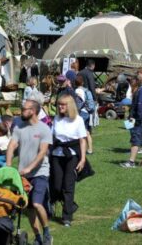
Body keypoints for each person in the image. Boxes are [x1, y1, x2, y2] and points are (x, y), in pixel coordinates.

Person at [6, 100, 53, 245]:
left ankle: (46, 233)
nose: (20, 111)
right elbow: (12, 145)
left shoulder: (44, 129)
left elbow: (43, 152)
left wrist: (30, 168)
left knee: (37, 203)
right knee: (29, 208)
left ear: (33, 111)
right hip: (23, 174)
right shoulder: (19, 126)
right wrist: (8, 166)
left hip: (40, 172)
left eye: (24, 109)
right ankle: (38, 237)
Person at [50, 94, 87, 227]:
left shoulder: (78, 120)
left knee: (68, 186)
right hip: (57, 154)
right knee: (56, 185)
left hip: (71, 156)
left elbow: (82, 140)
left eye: (63, 104)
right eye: (59, 104)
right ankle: (70, 205)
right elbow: (51, 136)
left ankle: (67, 217)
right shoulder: (56, 119)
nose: (60, 107)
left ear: (69, 106)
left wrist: (82, 159)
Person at [74, 77, 95, 154]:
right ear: (82, 83)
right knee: (87, 132)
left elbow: (78, 104)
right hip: (88, 112)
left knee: (83, 132)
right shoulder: (86, 90)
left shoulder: (77, 91)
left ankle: (85, 149)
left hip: (81, 113)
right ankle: (90, 149)